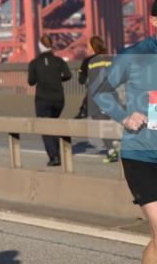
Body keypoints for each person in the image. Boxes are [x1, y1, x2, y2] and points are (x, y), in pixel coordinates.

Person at [92, 1, 157, 264]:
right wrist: (124, 117)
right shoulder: (134, 54)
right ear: (153, 20)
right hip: (142, 155)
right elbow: (98, 89)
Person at [27, 34, 72, 166]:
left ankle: (54, 157)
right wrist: (57, 80)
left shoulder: (34, 63)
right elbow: (68, 75)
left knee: (45, 128)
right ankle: (60, 150)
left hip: (43, 99)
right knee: (54, 123)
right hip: (59, 99)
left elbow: (31, 82)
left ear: (39, 47)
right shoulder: (59, 61)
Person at [77, 36, 118, 162]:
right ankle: (116, 141)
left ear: (92, 47)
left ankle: (111, 150)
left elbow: (81, 80)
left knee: (101, 124)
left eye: (89, 45)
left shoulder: (88, 61)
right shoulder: (111, 58)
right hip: (112, 94)